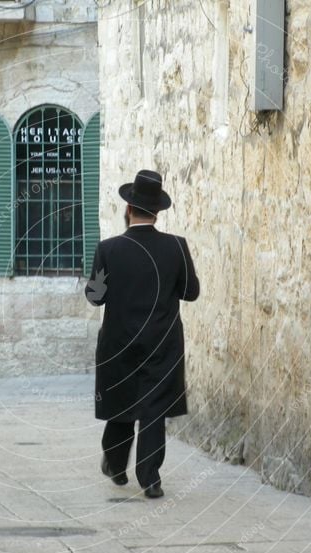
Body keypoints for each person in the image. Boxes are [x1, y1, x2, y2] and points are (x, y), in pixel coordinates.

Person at [84, 169, 200, 498]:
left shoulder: (108, 249)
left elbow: (95, 297)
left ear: (128, 208)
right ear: (158, 211)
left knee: (122, 404)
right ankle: (150, 478)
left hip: (119, 343)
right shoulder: (176, 247)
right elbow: (191, 292)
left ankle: (116, 464)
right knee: (154, 409)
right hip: (162, 342)